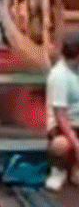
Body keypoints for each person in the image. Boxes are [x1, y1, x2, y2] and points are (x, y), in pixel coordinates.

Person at [47, 32, 79, 190]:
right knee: (61, 144)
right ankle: (58, 170)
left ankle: (75, 170)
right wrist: (77, 144)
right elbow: (61, 117)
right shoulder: (59, 75)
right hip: (66, 126)